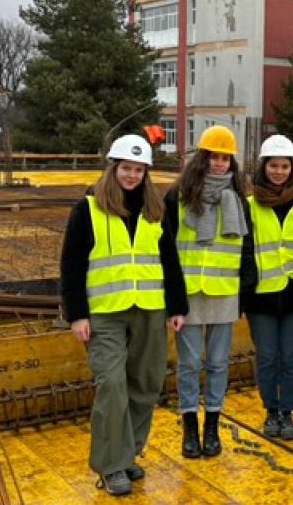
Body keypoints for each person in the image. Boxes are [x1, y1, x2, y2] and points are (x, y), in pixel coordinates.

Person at [60, 134, 187, 496]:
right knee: (112, 386)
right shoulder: (88, 209)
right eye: (126, 168)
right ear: (113, 168)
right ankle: (111, 466)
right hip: (105, 314)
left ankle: (127, 452)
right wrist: (77, 315)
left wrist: (177, 306)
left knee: (145, 384)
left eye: (139, 169)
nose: (132, 175)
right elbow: (71, 264)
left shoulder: (154, 209)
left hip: (149, 309)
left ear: (146, 173)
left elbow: (169, 259)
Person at [165, 125, 255, 460]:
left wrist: (244, 294)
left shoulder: (238, 202)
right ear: (201, 160)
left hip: (224, 293)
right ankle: (189, 427)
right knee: (189, 364)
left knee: (218, 363)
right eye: (213, 158)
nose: (219, 164)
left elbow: (247, 251)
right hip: (188, 295)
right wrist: (172, 299)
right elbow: (166, 250)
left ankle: (212, 426)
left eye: (225, 159)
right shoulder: (178, 198)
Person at [242, 134, 293, 441]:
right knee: (267, 356)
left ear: (292, 168)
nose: (279, 171)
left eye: (284, 166)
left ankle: (287, 412)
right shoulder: (249, 205)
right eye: (273, 166)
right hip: (261, 296)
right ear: (264, 167)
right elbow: (245, 249)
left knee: (291, 356)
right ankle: (271, 410)